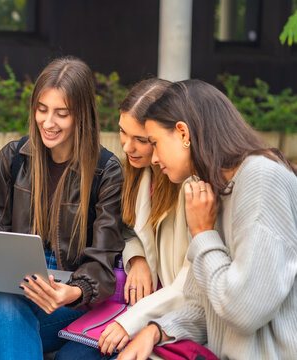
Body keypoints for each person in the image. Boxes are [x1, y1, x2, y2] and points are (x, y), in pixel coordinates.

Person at [117, 79, 297, 360]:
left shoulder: (262, 179)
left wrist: (202, 233)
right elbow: (204, 305)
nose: (153, 159)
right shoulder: (213, 189)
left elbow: (244, 310)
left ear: (182, 133)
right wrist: (153, 331)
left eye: (154, 142)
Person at [0, 57, 126, 360]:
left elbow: (103, 258)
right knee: (7, 299)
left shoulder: (105, 171)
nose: (48, 122)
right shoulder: (13, 159)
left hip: (73, 294)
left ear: (81, 115)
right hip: (18, 290)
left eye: (61, 113)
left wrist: (75, 291)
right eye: (42, 110)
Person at [57, 78, 194, 359]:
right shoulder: (136, 172)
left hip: (170, 315)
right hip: (130, 303)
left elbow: (190, 280)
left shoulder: (190, 185)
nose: (128, 147)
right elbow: (128, 229)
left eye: (142, 140)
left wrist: (133, 321)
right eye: (122, 132)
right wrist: (137, 258)